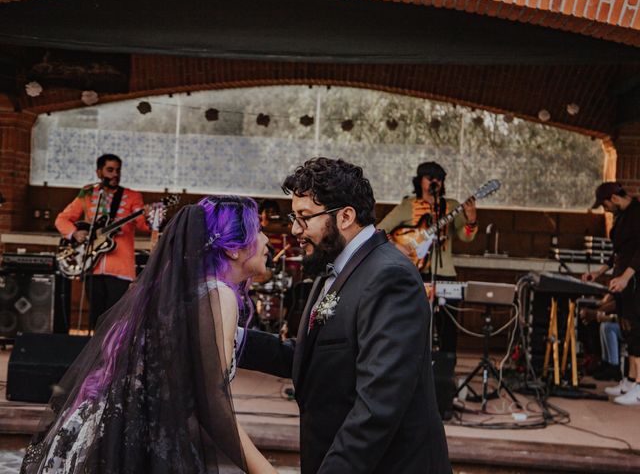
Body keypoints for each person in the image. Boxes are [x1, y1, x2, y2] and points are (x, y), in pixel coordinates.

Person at [22, 196, 277, 474]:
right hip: (131, 446)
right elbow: (213, 409)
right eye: (258, 231)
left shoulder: (184, 293)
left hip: (104, 432)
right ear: (232, 249)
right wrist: (266, 471)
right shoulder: (219, 295)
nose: (267, 241)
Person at [241, 157, 451, 474]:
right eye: (293, 217)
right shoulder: (335, 270)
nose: (295, 229)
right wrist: (233, 338)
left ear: (345, 216)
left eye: (305, 217)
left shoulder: (390, 277)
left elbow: (378, 404)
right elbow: (311, 357)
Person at [377, 161, 478, 354]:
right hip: (415, 272)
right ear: (420, 181)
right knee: (413, 322)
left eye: (439, 178)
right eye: (430, 177)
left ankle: (446, 367)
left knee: (448, 325)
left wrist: (471, 220)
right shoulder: (408, 206)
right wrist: (398, 247)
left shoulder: (452, 206)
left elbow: (466, 236)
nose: (435, 182)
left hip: (445, 273)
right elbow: (379, 231)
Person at [55, 154, 150, 329]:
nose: (115, 174)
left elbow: (144, 225)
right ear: (99, 172)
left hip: (121, 268)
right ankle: (95, 355)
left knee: (117, 317)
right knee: (96, 318)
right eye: (110, 170)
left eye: (118, 170)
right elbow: (61, 220)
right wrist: (75, 233)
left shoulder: (132, 196)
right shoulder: (88, 194)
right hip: (92, 266)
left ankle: (113, 355)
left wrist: (151, 216)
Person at [583, 181, 640, 405]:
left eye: (605, 205)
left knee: (636, 331)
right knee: (626, 330)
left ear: (614, 199)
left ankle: (639, 387)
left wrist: (626, 277)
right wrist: (598, 273)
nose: (604, 209)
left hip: (635, 281)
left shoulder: (637, 214)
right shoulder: (622, 217)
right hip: (622, 282)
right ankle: (629, 380)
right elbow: (617, 253)